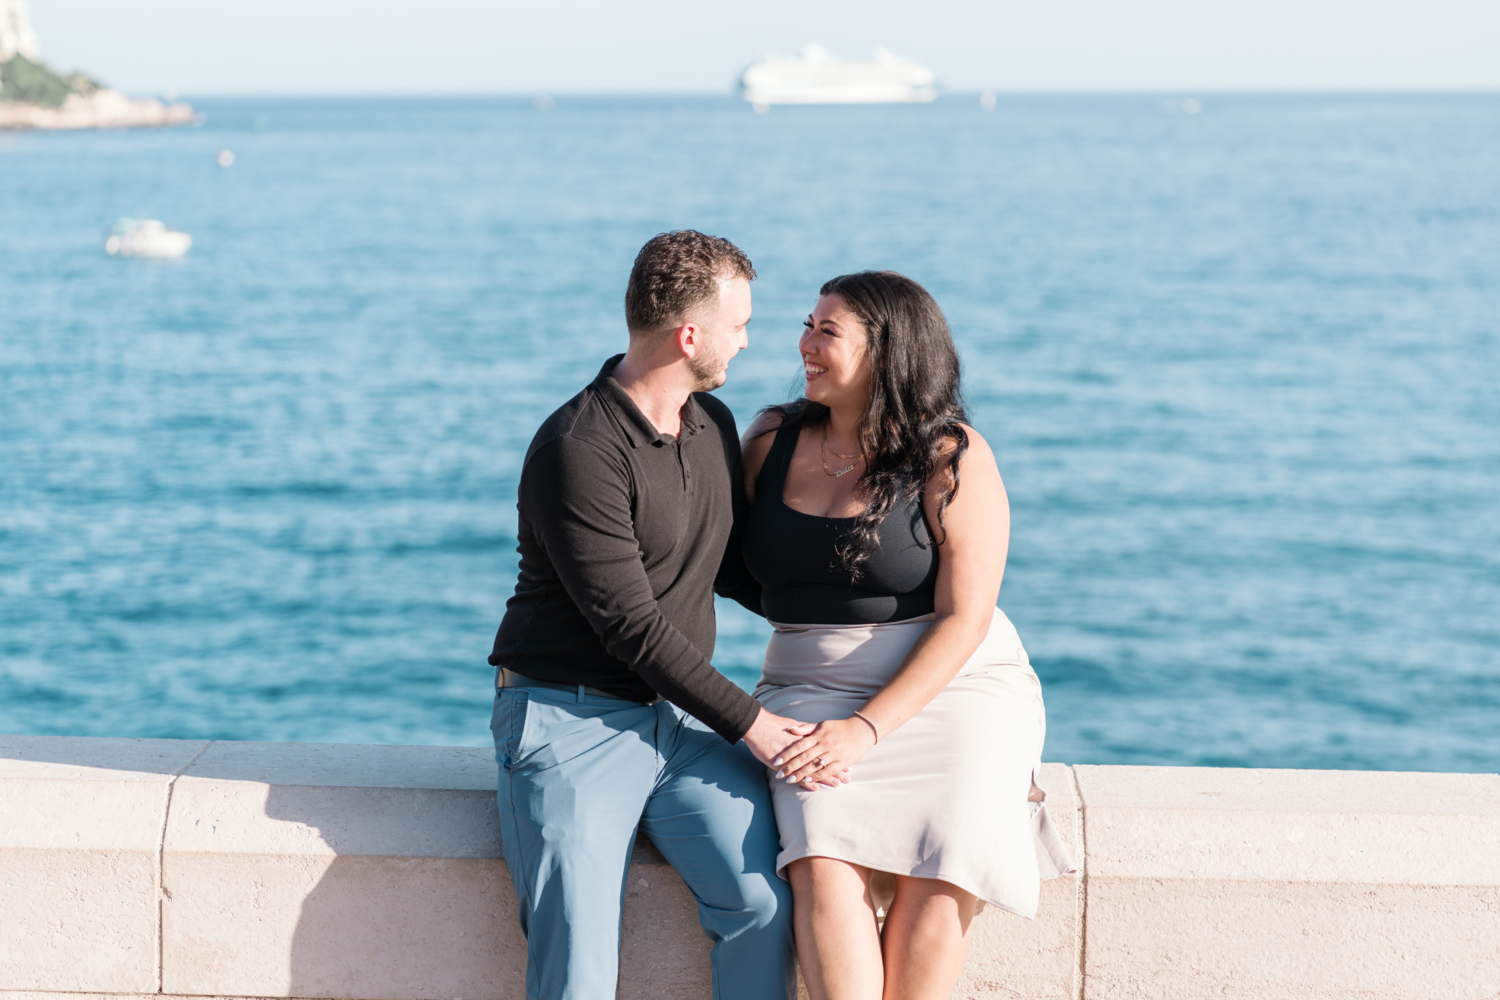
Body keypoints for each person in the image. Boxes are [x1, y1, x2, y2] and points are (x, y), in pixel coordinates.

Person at [487, 231, 810, 1000]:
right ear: (689, 335)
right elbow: (630, 626)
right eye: (741, 323)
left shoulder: (713, 426)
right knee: (580, 968)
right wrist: (755, 726)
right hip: (570, 721)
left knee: (762, 905)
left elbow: (730, 570)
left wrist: (862, 617)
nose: (747, 339)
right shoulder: (579, 447)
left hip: (678, 724)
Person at [739, 271, 1075, 1000]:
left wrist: (865, 729)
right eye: (809, 323)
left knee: (946, 863)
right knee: (820, 857)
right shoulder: (769, 440)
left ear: (888, 351)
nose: (805, 344)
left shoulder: (952, 457)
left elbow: (967, 618)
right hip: (807, 687)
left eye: (828, 331)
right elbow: (711, 558)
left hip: (955, 689)